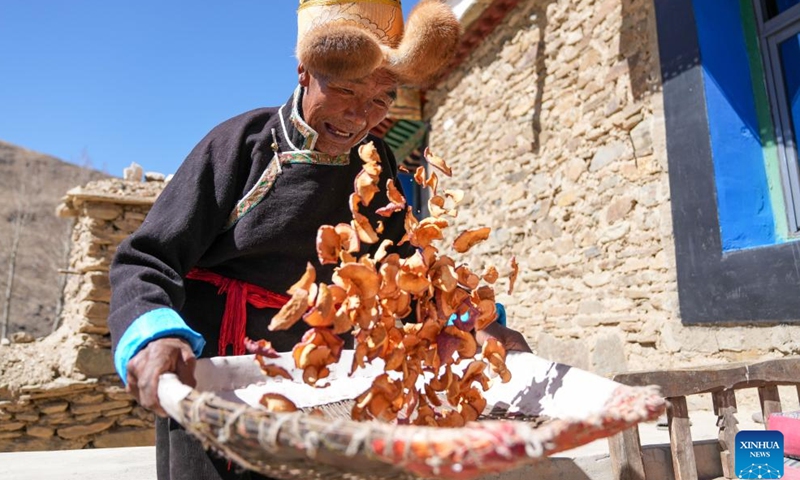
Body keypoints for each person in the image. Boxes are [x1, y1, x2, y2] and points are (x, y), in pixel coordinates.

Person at [108, 1, 529, 479]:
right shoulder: (239, 146)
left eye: (382, 98)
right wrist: (154, 334)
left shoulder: (376, 161)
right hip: (224, 389)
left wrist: (470, 325)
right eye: (346, 89)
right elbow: (145, 259)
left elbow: (403, 273)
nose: (360, 115)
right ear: (304, 71)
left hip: (331, 389)